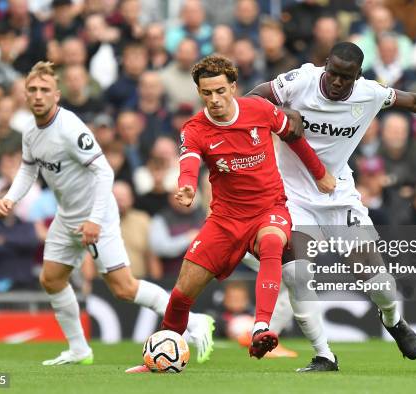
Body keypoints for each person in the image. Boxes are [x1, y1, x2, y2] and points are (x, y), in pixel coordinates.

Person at [247, 42, 416, 370]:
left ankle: (393, 320)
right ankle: (324, 355)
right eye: (332, 73)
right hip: (291, 197)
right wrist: (277, 114)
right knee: (297, 276)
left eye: (345, 78)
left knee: (377, 283)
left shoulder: (370, 93)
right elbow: (251, 99)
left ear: (357, 76)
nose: (336, 82)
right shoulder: (299, 82)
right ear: (325, 66)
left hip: (339, 196)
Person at [0, 61, 215, 367]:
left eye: (44, 90)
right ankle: (79, 349)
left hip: (96, 214)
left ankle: (193, 321)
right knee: (52, 279)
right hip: (68, 216)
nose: (37, 95)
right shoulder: (31, 131)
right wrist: (10, 197)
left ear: (57, 95)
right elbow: (29, 167)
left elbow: (105, 174)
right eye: (31, 89)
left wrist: (95, 220)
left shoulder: (70, 129)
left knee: (124, 288)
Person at [126, 54, 333, 372]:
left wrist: (319, 173)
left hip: (269, 209)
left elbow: (293, 136)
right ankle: (157, 359)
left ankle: (261, 328)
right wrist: (186, 185)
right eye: (207, 93)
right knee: (183, 293)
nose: (214, 99)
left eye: (220, 91)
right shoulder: (195, 128)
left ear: (233, 87)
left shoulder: (260, 110)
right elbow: (189, 162)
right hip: (224, 219)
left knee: (273, 244)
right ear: (199, 93)